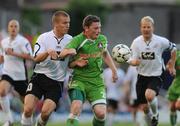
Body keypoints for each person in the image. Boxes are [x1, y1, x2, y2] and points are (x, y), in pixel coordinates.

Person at [60, 15, 118, 126]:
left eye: (99, 28)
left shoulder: (102, 39)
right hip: (79, 80)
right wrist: (73, 58)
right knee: (76, 108)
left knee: (101, 114)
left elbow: (105, 53)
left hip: (96, 82)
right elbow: (64, 58)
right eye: (95, 28)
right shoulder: (78, 40)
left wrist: (114, 70)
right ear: (86, 28)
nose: (98, 31)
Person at [21, 11, 76, 126]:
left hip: (57, 82)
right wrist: (47, 52)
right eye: (65, 23)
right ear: (56, 24)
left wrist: (77, 62)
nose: (68, 25)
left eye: (68, 23)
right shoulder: (43, 38)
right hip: (39, 77)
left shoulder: (71, 40)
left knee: (45, 113)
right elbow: (36, 58)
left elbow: (70, 64)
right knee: (28, 109)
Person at [127, 16, 176, 126]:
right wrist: (133, 62)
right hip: (141, 76)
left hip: (156, 75)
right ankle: (151, 121)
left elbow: (173, 49)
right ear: (141, 28)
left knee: (149, 95)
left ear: (153, 28)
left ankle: (155, 114)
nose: (146, 29)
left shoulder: (160, 41)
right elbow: (130, 59)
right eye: (144, 27)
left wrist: (172, 64)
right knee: (144, 108)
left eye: (148, 27)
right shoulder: (136, 42)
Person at [0, 19, 33, 126]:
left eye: (15, 26)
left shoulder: (23, 41)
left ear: (18, 29)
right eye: (11, 26)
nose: (13, 28)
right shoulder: (3, 42)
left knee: (27, 106)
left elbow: (30, 56)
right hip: (7, 73)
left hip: (20, 76)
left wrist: (14, 54)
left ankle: (27, 122)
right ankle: (9, 120)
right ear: (8, 28)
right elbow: (2, 58)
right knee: (2, 91)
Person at [103, 62, 125, 126]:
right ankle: (107, 123)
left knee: (113, 110)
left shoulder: (121, 72)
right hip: (107, 93)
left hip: (116, 95)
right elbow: (103, 82)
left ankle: (109, 123)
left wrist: (123, 95)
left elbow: (123, 84)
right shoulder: (106, 71)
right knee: (109, 109)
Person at [167, 49, 180, 126]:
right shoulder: (177, 54)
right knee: (172, 107)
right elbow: (168, 65)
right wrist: (171, 68)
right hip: (176, 84)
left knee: (178, 105)